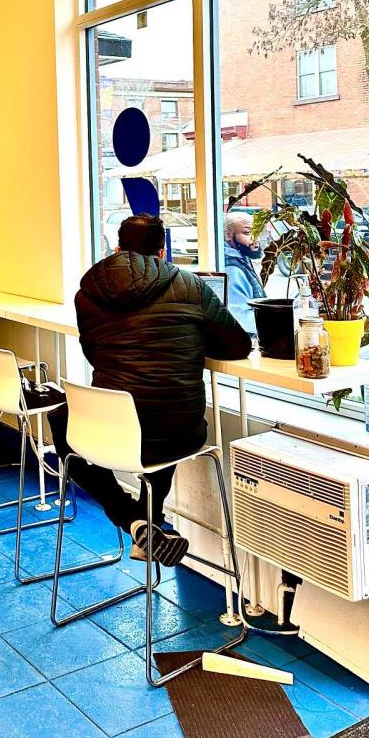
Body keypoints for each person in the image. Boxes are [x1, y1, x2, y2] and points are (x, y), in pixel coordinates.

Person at [50, 213, 252, 566]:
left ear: (117, 249)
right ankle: (146, 522)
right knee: (164, 410)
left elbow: (92, 351)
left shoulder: (87, 293)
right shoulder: (190, 286)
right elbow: (238, 346)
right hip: (177, 433)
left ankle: (133, 520)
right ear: (162, 253)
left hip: (107, 433)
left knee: (61, 419)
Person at [224, 211, 265, 334]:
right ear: (228, 235)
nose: (255, 239)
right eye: (247, 233)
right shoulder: (231, 268)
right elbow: (241, 318)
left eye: (257, 233)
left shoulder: (241, 257)